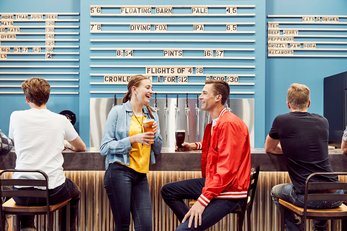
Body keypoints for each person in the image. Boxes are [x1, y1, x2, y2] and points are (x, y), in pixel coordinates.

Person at [161, 80, 251, 231]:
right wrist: (194, 146)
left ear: (218, 97)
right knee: (168, 191)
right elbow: (216, 145)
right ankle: (192, 225)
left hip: (229, 191)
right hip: (216, 183)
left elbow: (226, 170)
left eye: (204, 93)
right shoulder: (217, 122)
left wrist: (202, 201)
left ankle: (189, 227)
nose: (200, 97)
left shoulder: (229, 124)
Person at [8, 77, 86, 231]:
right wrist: (64, 143)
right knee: (74, 192)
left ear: (26, 98)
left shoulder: (15, 116)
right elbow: (81, 147)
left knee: (27, 188)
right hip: (52, 193)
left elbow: (14, 141)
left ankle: (28, 226)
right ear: (47, 97)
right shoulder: (61, 120)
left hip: (21, 193)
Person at [265, 83, 341, 231]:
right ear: (309, 103)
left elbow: (269, 148)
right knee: (318, 192)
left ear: (288, 104)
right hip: (336, 196)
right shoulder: (323, 121)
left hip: (307, 199)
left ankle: (296, 229)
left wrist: (289, 150)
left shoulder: (281, 120)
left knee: (276, 191)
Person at [100, 75, 162, 231]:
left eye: (151, 88)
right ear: (134, 89)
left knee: (145, 226)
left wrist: (156, 135)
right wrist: (132, 139)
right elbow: (105, 147)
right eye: (147, 87)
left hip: (141, 175)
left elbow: (158, 149)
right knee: (123, 225)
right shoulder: (118, 112)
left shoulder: (152, 116)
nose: (151, 91)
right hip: (119, 171)